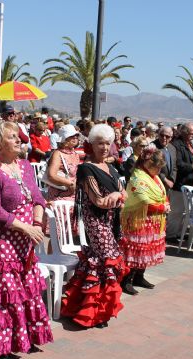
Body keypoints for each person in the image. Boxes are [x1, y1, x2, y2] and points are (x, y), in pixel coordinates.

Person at [0, 121, 53, 359]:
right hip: (6, 238)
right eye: (13, 137)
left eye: (19, 137)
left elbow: (38, 198)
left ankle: (26, 337)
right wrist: (25, 228)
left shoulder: (24, 165)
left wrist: (36, 223)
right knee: (6, 293)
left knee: (26, 289)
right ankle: (1, 344)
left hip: (26, 239)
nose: (20, 141)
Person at [60, 124, 128, 328]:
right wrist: (117, 195)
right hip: (96, 221)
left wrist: (119, 195)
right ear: (92, 145)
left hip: (111, 221)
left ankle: (97, 310)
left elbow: (124, 194)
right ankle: (90, 312)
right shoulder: (86, 168)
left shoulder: (112, 168)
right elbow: (99, 200)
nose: (105, 147)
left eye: (108, 143)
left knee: (100, 262)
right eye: (100, 143)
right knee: (105, 261)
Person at [119, 146, 169, 295]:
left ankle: (139, 276)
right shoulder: (137, 176)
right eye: (157, 167)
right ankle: (126, 280)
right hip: (138, 220)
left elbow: (162, 192)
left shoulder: (153, 175)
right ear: (148, 164)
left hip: (152, 220)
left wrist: (165, 203)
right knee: (136, 250)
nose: (159, 171)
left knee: (146, 250)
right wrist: (162, 207)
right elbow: (143, 200)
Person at [166, 123, 193, 239]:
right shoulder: (177, 145)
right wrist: (192, 166)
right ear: (184, 132)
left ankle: (179, 233)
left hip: (191, 183)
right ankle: (171, 234)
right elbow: (179, 164)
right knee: (176, 211)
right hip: (180, 184)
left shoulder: (189, 144)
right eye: (190, 133)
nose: (192, 136)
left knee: (185, 211)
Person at [45, 124, 81, 203]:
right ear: (65, 139)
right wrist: (70, 184)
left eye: (76, 135)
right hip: (60, 195)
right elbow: (51, 176)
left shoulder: (75, 153)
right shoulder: (58, 154)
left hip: (73, 193)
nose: (75, 137)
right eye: (72, 136)